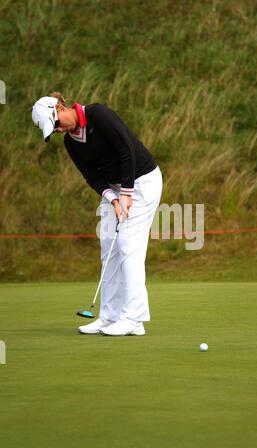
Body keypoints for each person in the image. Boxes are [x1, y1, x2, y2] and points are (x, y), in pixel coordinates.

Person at [32, 93, 163, 336]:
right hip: (115, 189)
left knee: (127, 244)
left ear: (59, 107)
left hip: (143, 180)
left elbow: (126, 150)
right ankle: (110, 316)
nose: (58, 130)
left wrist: (126, 191)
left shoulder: (97, 114)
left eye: (57, 123)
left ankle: (134, 319)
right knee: (109, 248)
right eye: (54, 130)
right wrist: (113, 198)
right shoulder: (71, 143)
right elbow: (92, 176)